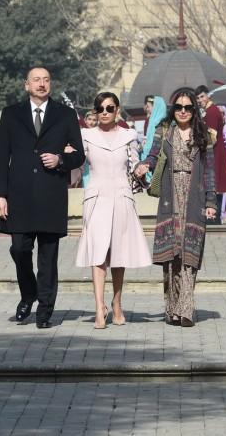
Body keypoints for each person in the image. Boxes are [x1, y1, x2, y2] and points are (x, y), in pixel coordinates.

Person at [0, 67, 85, 329]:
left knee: (48, 257)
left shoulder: (65, 114)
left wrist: (60, 159)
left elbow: (79, 155)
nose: (41, 84)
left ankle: (45, 310)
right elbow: (2, 156)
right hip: (19, 196)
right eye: (36, 80)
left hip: (50, 195)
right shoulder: (10, 114)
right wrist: (0, 195)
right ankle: (28, 293)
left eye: (46, 80)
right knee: (19, 249)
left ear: (50, 84)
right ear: (26, 85)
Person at [134, 87, 217, 327]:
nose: (183, 111)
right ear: (173, 109)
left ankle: (186, 309)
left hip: (194, 197)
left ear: (194, 110)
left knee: (190, 254)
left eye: (188, 107)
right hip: (170, 196)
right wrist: (144, 165)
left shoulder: (204, 134)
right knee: (172, 256)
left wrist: (211, 201)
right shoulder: (164, 131)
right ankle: (172, 308)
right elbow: (153, 155)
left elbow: (210, 171)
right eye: (179, 107)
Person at [75, 92, 151, 328]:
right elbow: (77, 163)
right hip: (96, 198)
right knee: (98, 253)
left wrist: (140, 169)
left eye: (109, 108)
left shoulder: (129, 136)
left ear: (117, 110)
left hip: (121, 196)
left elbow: (134, 162)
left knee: (119, 253)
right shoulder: (86, 136)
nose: (105, 112)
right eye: (100, 109)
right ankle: (99, 307)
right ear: (95, 112)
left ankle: (117, 302)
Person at [196, 86, 226, 223]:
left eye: (202, 96)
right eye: (198, 98)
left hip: (214, 153)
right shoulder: (208, 111)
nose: (200, 100)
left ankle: (213, 221)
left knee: (213, 184)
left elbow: (211, 136)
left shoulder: (211, 111)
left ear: (208, 96)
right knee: (213, 185)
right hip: (214, 152)